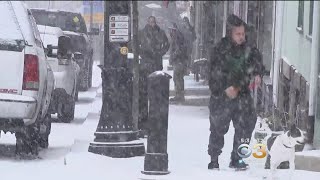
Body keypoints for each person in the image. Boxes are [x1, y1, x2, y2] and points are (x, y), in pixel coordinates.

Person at [207, 14, 264, 170]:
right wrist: (224, 88)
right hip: (222, 95)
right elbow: (213, 74)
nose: (241, 37)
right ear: (230, 34)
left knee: (246, 125)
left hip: (242, 94)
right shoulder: (220, 49)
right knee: (218, 127)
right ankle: (214, 158)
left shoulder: (248, 49)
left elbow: (257, 60)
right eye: (238, 34)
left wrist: (258, 73)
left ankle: (238, 158)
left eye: (243, 34)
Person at [138, 16, 170, 132]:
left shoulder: (160, 32)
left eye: (153, 22)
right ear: (148, 22)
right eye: (150, 21)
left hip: (156, 64)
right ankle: (144, 122)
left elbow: (167, 44)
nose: (152, 23)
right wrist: (143, 54)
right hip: (145, 65)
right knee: (144, 94)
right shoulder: (142, 33)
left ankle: (154, 122)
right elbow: (135, 45)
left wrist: (160, 53)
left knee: (156, 95)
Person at [168, 23, 188, 103]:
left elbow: (178, 50)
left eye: (172, 30)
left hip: (179, 61)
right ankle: (179, 95)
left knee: (177, 78)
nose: (171, 32)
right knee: (179, 78)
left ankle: (179, 95)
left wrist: (173, 56)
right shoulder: (178, 37)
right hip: (180, 61)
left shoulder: (178, 38)